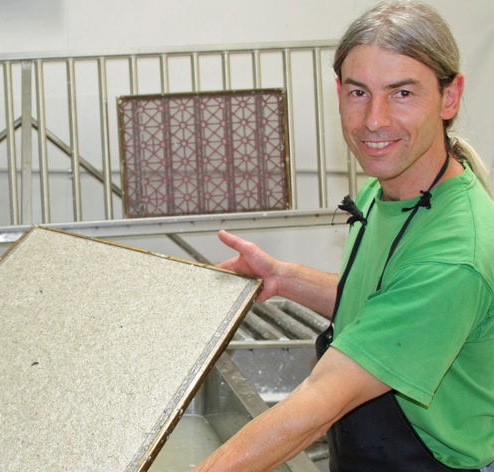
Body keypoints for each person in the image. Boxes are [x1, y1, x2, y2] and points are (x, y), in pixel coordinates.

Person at [193, 1, 494, 471]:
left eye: (402, 93)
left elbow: (319, 404)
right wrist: (284, 277)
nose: (374, 120)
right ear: (337, 91)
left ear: (449, 96)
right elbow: (384, 308)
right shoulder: (390, 187)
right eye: (359, 92)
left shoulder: (453, 257)